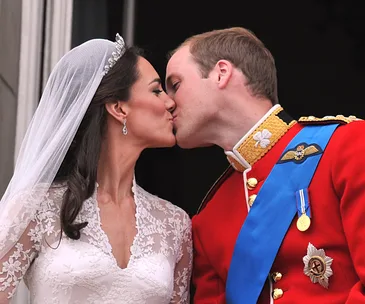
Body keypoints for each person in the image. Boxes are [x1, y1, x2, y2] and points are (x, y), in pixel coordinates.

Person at [165, 27, 365, 303]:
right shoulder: (207, 220)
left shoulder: (347, 145)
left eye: (175, 85)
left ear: (221, 73)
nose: (166, 102)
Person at [0, 34, 192, 304]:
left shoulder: (176, 224)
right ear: (118, 108)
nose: (170, 102)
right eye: (156, 90)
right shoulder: (36, 207)